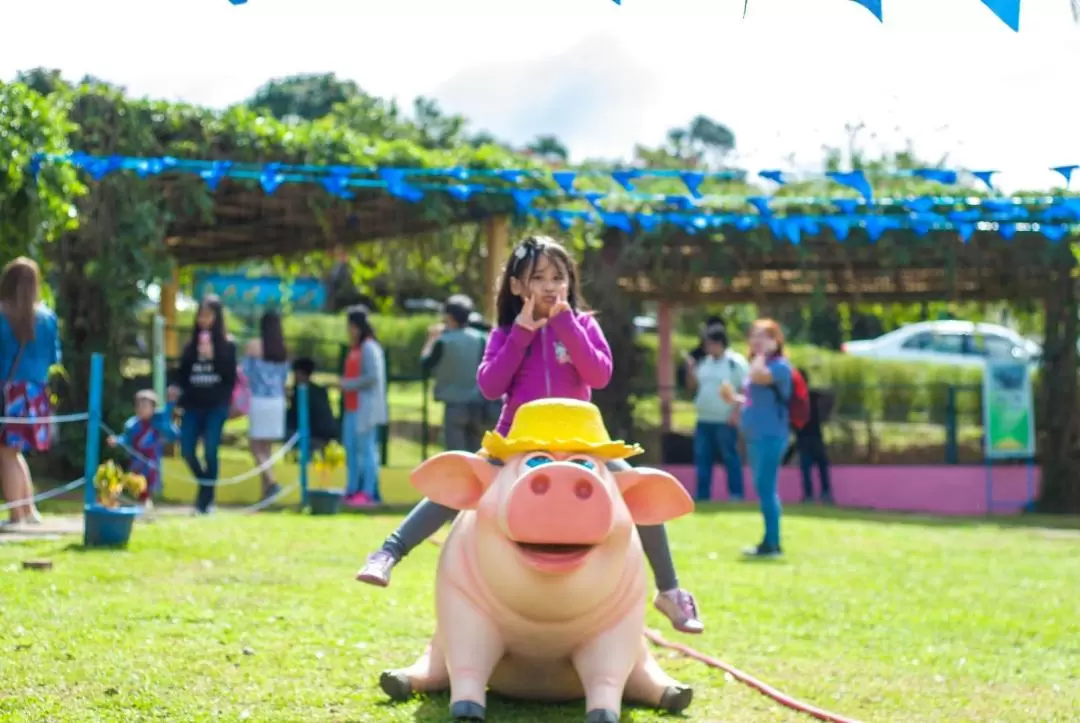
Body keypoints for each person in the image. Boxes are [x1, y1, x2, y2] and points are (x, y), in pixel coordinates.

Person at [357, 235, 705, 635]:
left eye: (558, 276)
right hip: (517, 441)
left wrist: (565, 325)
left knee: (637, 488)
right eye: (538, 277)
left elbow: (599, 375)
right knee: (461, 483)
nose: (550, 285)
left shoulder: (583, 324)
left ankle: (670, 590)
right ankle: (389, 551)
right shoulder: (504, 333)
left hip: (581, 442)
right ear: (517, 286)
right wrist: (522, 333)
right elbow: (490, 385)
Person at [722, 318, 793, 558]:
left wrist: (760, 354)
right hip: (755, 435)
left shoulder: (779, 367)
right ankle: (769, 541)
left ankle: (772, 544)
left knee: (766, 487)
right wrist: (734, 400)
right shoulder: (758, 366)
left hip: (771, 435)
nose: (757, 341)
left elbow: (760, 376)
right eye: (754, 336)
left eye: (764, 336)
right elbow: (753, 399)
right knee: (763, 488)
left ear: (776, 341)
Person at [0, 257, 59, 526]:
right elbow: (53, 358)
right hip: (36, 392)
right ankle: (29, 510)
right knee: (15, 452)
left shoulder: (1, 315)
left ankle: (16, 515)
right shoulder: (47, 318)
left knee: (6, 453)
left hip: (8, 393)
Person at [170, 295, 236, 515]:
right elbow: (183, 376)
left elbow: (230, 378)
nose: (204, 320)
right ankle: (205, 487)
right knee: (187, 450)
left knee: (210, 451)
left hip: (216, 406)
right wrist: (176, 389)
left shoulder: (228, 345)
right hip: (192, 405)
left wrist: (213, 357)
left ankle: (205, 501)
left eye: (209, 315)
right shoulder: (190, 346)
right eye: (201, 315)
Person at [687, 326, 748, 502]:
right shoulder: (705, 362)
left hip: (725, 421)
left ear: (719, 343)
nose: (706, 347)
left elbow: (745, 389)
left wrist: (736, 413)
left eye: (709, 343)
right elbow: (694, 386)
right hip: (704, 420)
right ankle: (702, 495)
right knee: (702, 459)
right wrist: (690, 370)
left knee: (730, 458)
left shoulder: (735, 363)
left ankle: (736, 495)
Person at [421, 294, 487, 452]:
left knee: (456, 455)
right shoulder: (480, 339)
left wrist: (431, 338)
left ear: (449, 316)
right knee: (476, 454)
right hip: (477, 404)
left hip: (453, 405)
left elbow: (425, 364)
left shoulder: (443, 341)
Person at [340, 306, 387, 506]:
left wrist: (345, 384)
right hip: (352, 407)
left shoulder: (369, 348)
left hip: (365, 410)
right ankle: (352, 488)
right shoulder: (356, 349)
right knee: (352, 450)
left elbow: (373, 378)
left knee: (367, 451)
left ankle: (368, 492)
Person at [242, 311, 290, 501]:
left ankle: (271, 481)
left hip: (259, 399)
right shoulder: (282, 349)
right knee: (267, 448)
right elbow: (285, 377)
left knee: (255, 445)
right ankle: (266, 495)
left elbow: (245, 372)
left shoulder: (254, 346)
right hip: (277, 401)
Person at [107, 390, 180, 511]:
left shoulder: (158, 422)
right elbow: (126, 438)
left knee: (148, 481)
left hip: (152, 460)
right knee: (135, 480)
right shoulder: (133, 425)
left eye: (145, 406)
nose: (141, 409)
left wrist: (171, 400)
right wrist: (117, 440)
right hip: (136, 460)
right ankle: (138, 501)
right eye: (138, 406)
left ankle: (145, 502)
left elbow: (168, 414)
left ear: (153, 408)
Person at [791, 368, 834, 504]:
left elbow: (829, 396)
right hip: (807, 437)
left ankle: (819, 494)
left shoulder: (810, 396)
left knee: (814, 467)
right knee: (811, 468)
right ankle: (816, 494)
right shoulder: (805, 396)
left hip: (811, 436)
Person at [285, 357, 337, 452]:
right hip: (329, 434)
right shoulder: (319, 390)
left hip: (313, 435)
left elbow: (294, 416)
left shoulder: (301, 392)